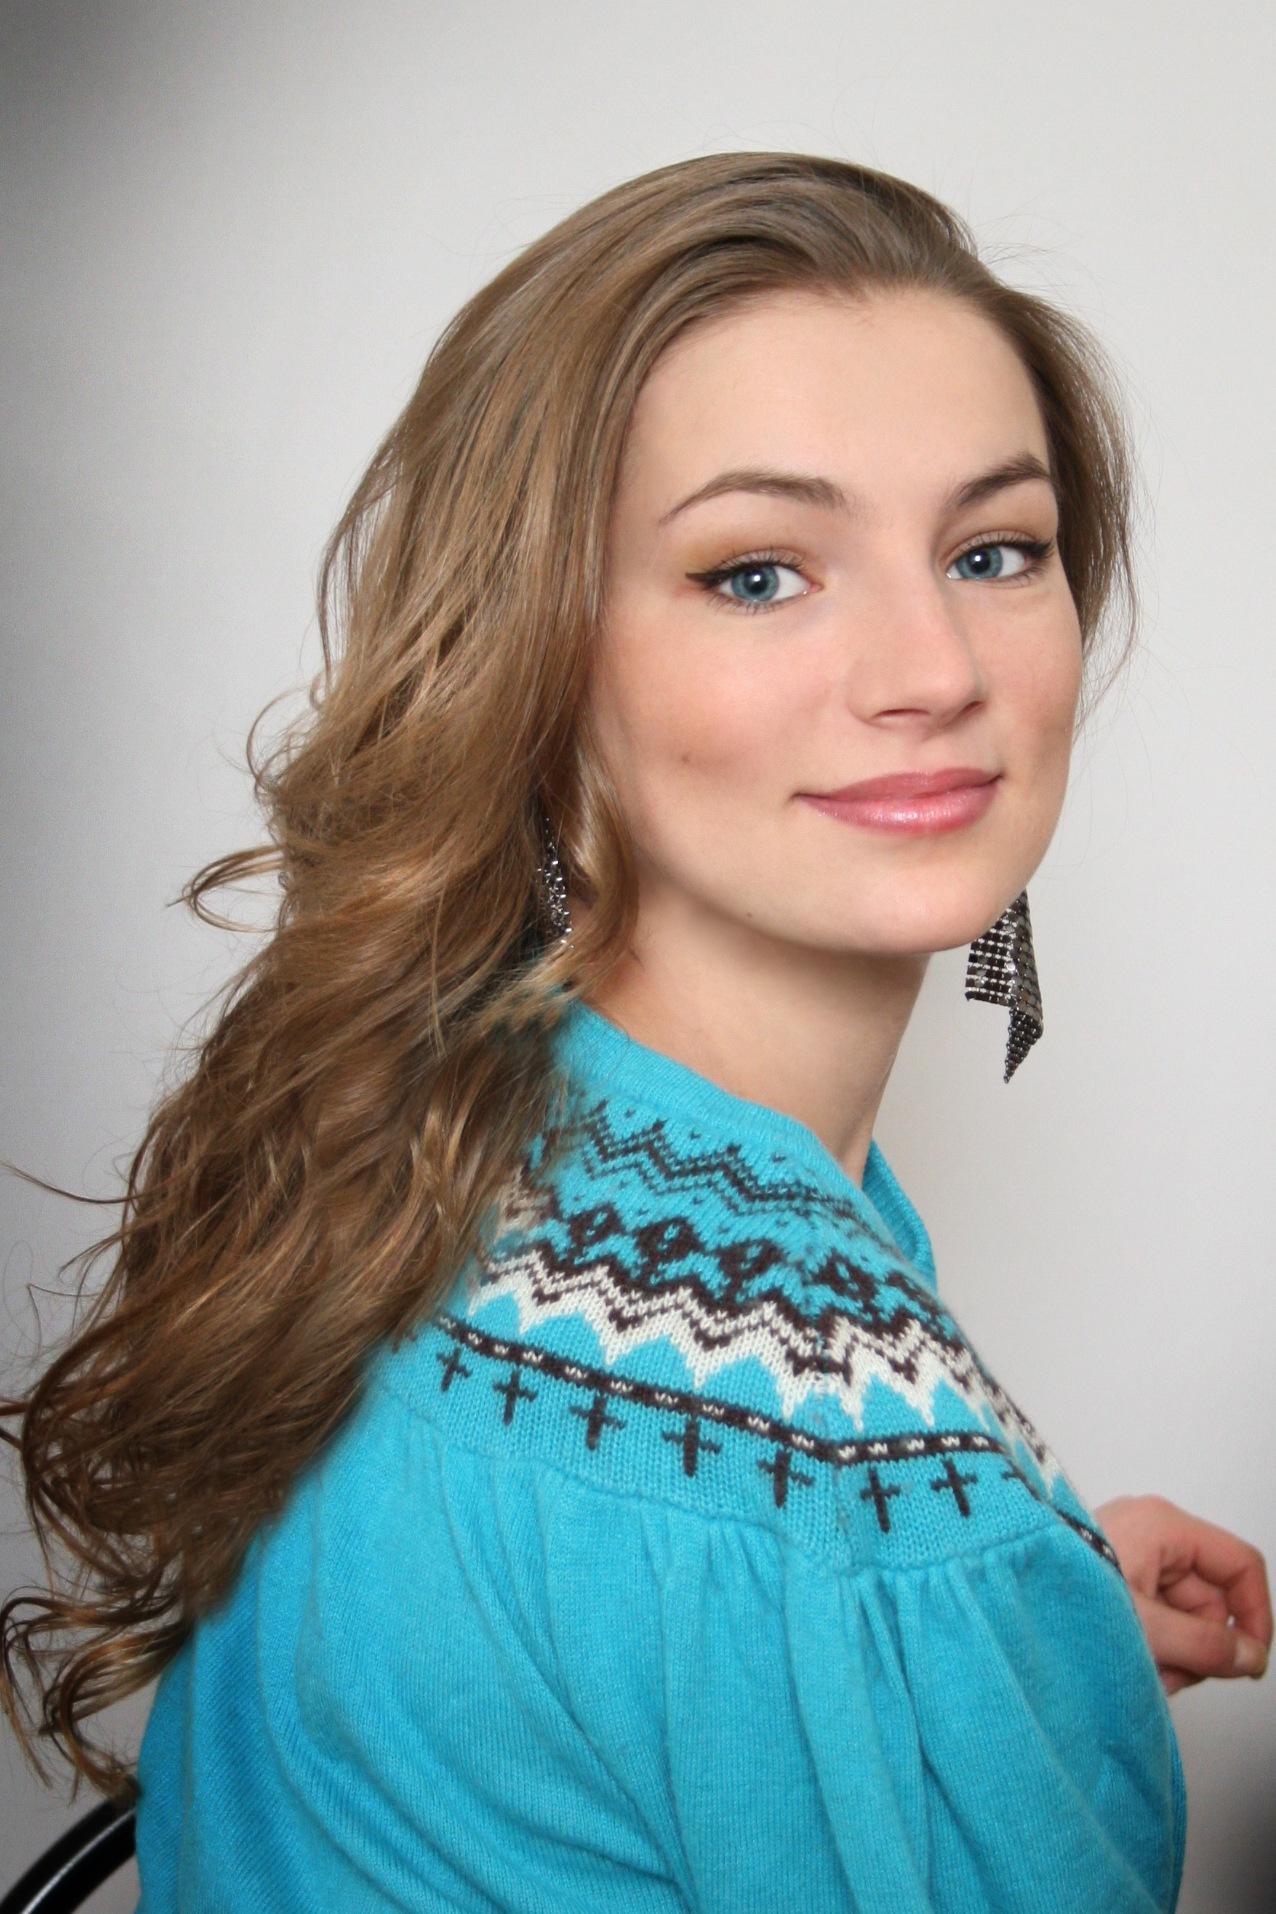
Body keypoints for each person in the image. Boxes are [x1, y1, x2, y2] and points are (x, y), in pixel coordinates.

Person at [1, 153, 1270, 1913]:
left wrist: (1017, 1635)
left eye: (995, 550)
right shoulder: (834, 1486)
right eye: (757, 573)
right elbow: (743, 1535)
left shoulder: (450, 1131)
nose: (934, 667)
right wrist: (947, 1599)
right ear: (540, 663)